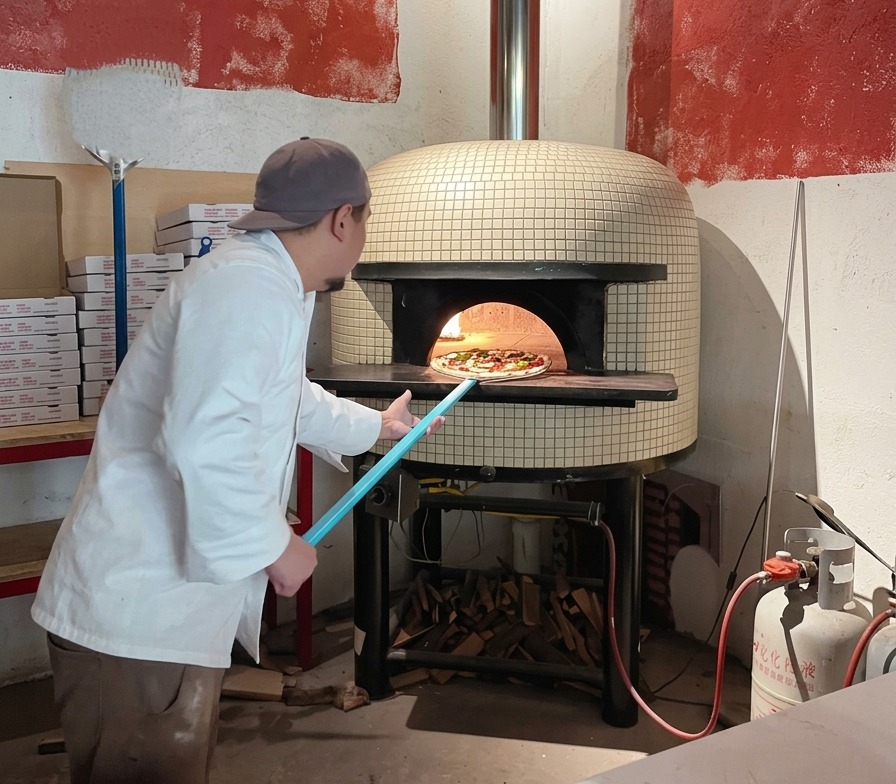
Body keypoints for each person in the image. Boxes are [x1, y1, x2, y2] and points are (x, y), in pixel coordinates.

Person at [31, 137, 444, 784]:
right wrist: (271, 544)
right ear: (342, 219)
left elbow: (284, 395)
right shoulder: (245, 289)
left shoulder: (273, 280)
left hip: (158, 613)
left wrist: (376, 427)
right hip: (136, 621)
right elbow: (203, 436)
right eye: (366, 221)